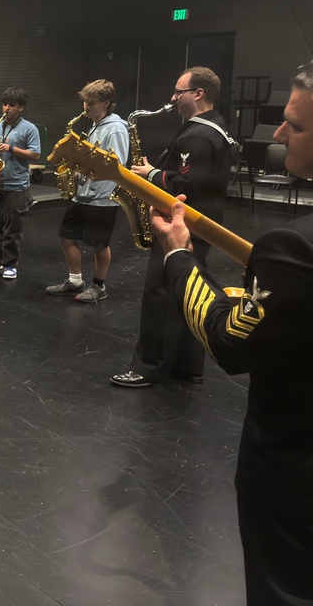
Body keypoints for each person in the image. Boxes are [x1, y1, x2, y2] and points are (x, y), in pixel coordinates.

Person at [148, 62, 313, 605]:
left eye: (296, 125)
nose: (279, 135)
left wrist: (177, 257)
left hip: (294, 482)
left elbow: (229, 341)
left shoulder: (294, 248)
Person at [111, 67, 235, 387]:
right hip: (203, 224)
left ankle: (146, 367)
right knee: (187, 292)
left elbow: (186, 184)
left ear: (198, 94)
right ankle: (187, 365)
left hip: (180, 224)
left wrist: (151, 174)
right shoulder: (217, 126)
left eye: (179, 92)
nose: (172, 98)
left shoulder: (196, 134)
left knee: (160, 294)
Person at [45, 80, 130, 303]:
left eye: (92, 102)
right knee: (66, 236)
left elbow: (117, 165)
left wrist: (87, 170)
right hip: (82, 194)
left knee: (99, 243)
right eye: (85, 101)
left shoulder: (116, 128)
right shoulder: (95, 125)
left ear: (107, 102)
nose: (86, 106)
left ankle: (99, 286)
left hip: (102, 198)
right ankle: (75, 281)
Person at [0, 87, 41, 281]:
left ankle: (10, 263)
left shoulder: (29, 128)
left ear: (20, 107)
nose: (6, 108)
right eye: (5, 104)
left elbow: (35, 154)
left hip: (16, 185)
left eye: (11, 105)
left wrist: (12, 148)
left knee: (13, 228)